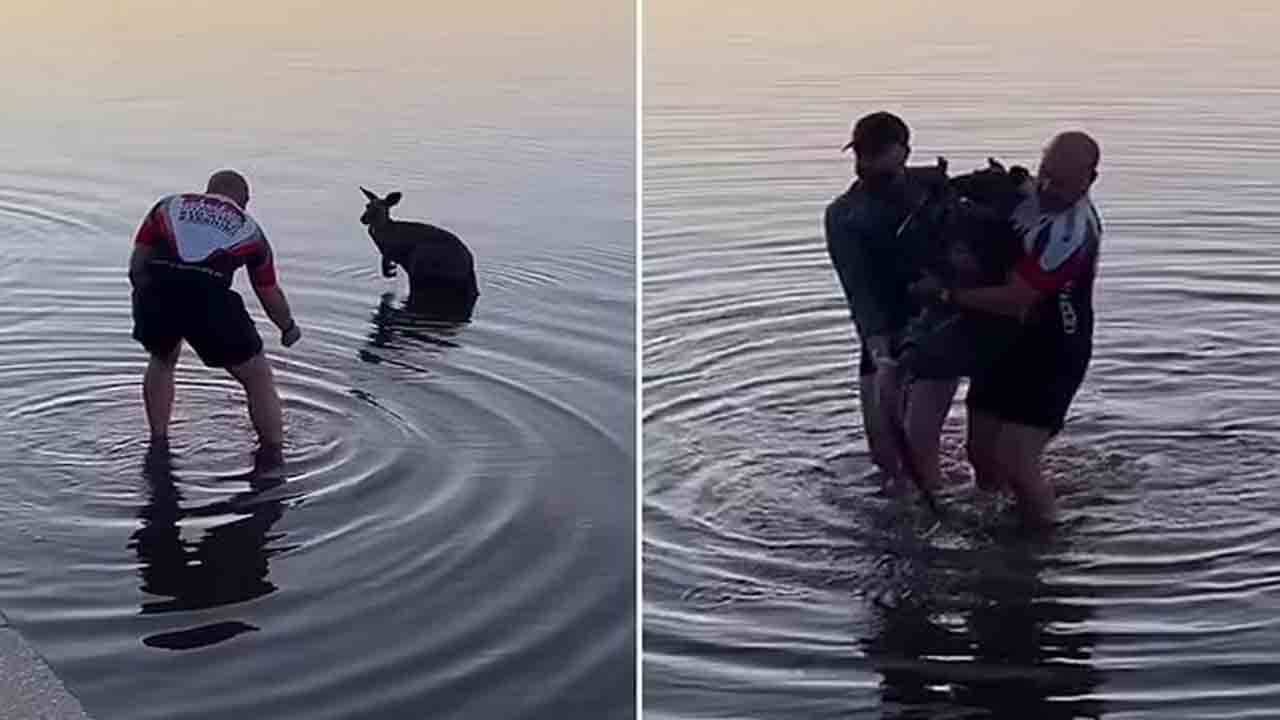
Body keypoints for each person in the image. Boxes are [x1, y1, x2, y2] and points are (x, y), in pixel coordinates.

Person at [911, 131, 1103, 528]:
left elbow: (1019, 297)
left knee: (1017, 457)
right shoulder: (1028, 191)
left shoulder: (1070, 231)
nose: (1048, 188)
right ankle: (995, 528)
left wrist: (947, 295)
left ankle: (1045, 541)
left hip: (1054, 350)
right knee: (980, 452)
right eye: (1044, 174)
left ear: (1089, 179)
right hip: (1004, 341)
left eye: (1062, 182)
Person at [823, 111, 958, 494]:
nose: (869, 164)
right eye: (865, 154)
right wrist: (880, 351)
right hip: (882, 334)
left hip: (938, 330)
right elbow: (858, 290)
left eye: (881, 154)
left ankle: (941, 515)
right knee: (885, 456)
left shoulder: (933, 190)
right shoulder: (844, 214)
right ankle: (903, 523)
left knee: (919, 451)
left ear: (905, 152)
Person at [129, 170, 301, 465]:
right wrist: (287, 327)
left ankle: (158, 441)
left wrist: (149, 297)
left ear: (207, 190)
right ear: (244, 200)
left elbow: (137, 263)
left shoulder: (168, 206)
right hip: (209, 300)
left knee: (162, 359)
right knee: (258, 377)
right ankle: (273, 456)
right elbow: (267, 290)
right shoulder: (250, 230)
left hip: (156, 291)